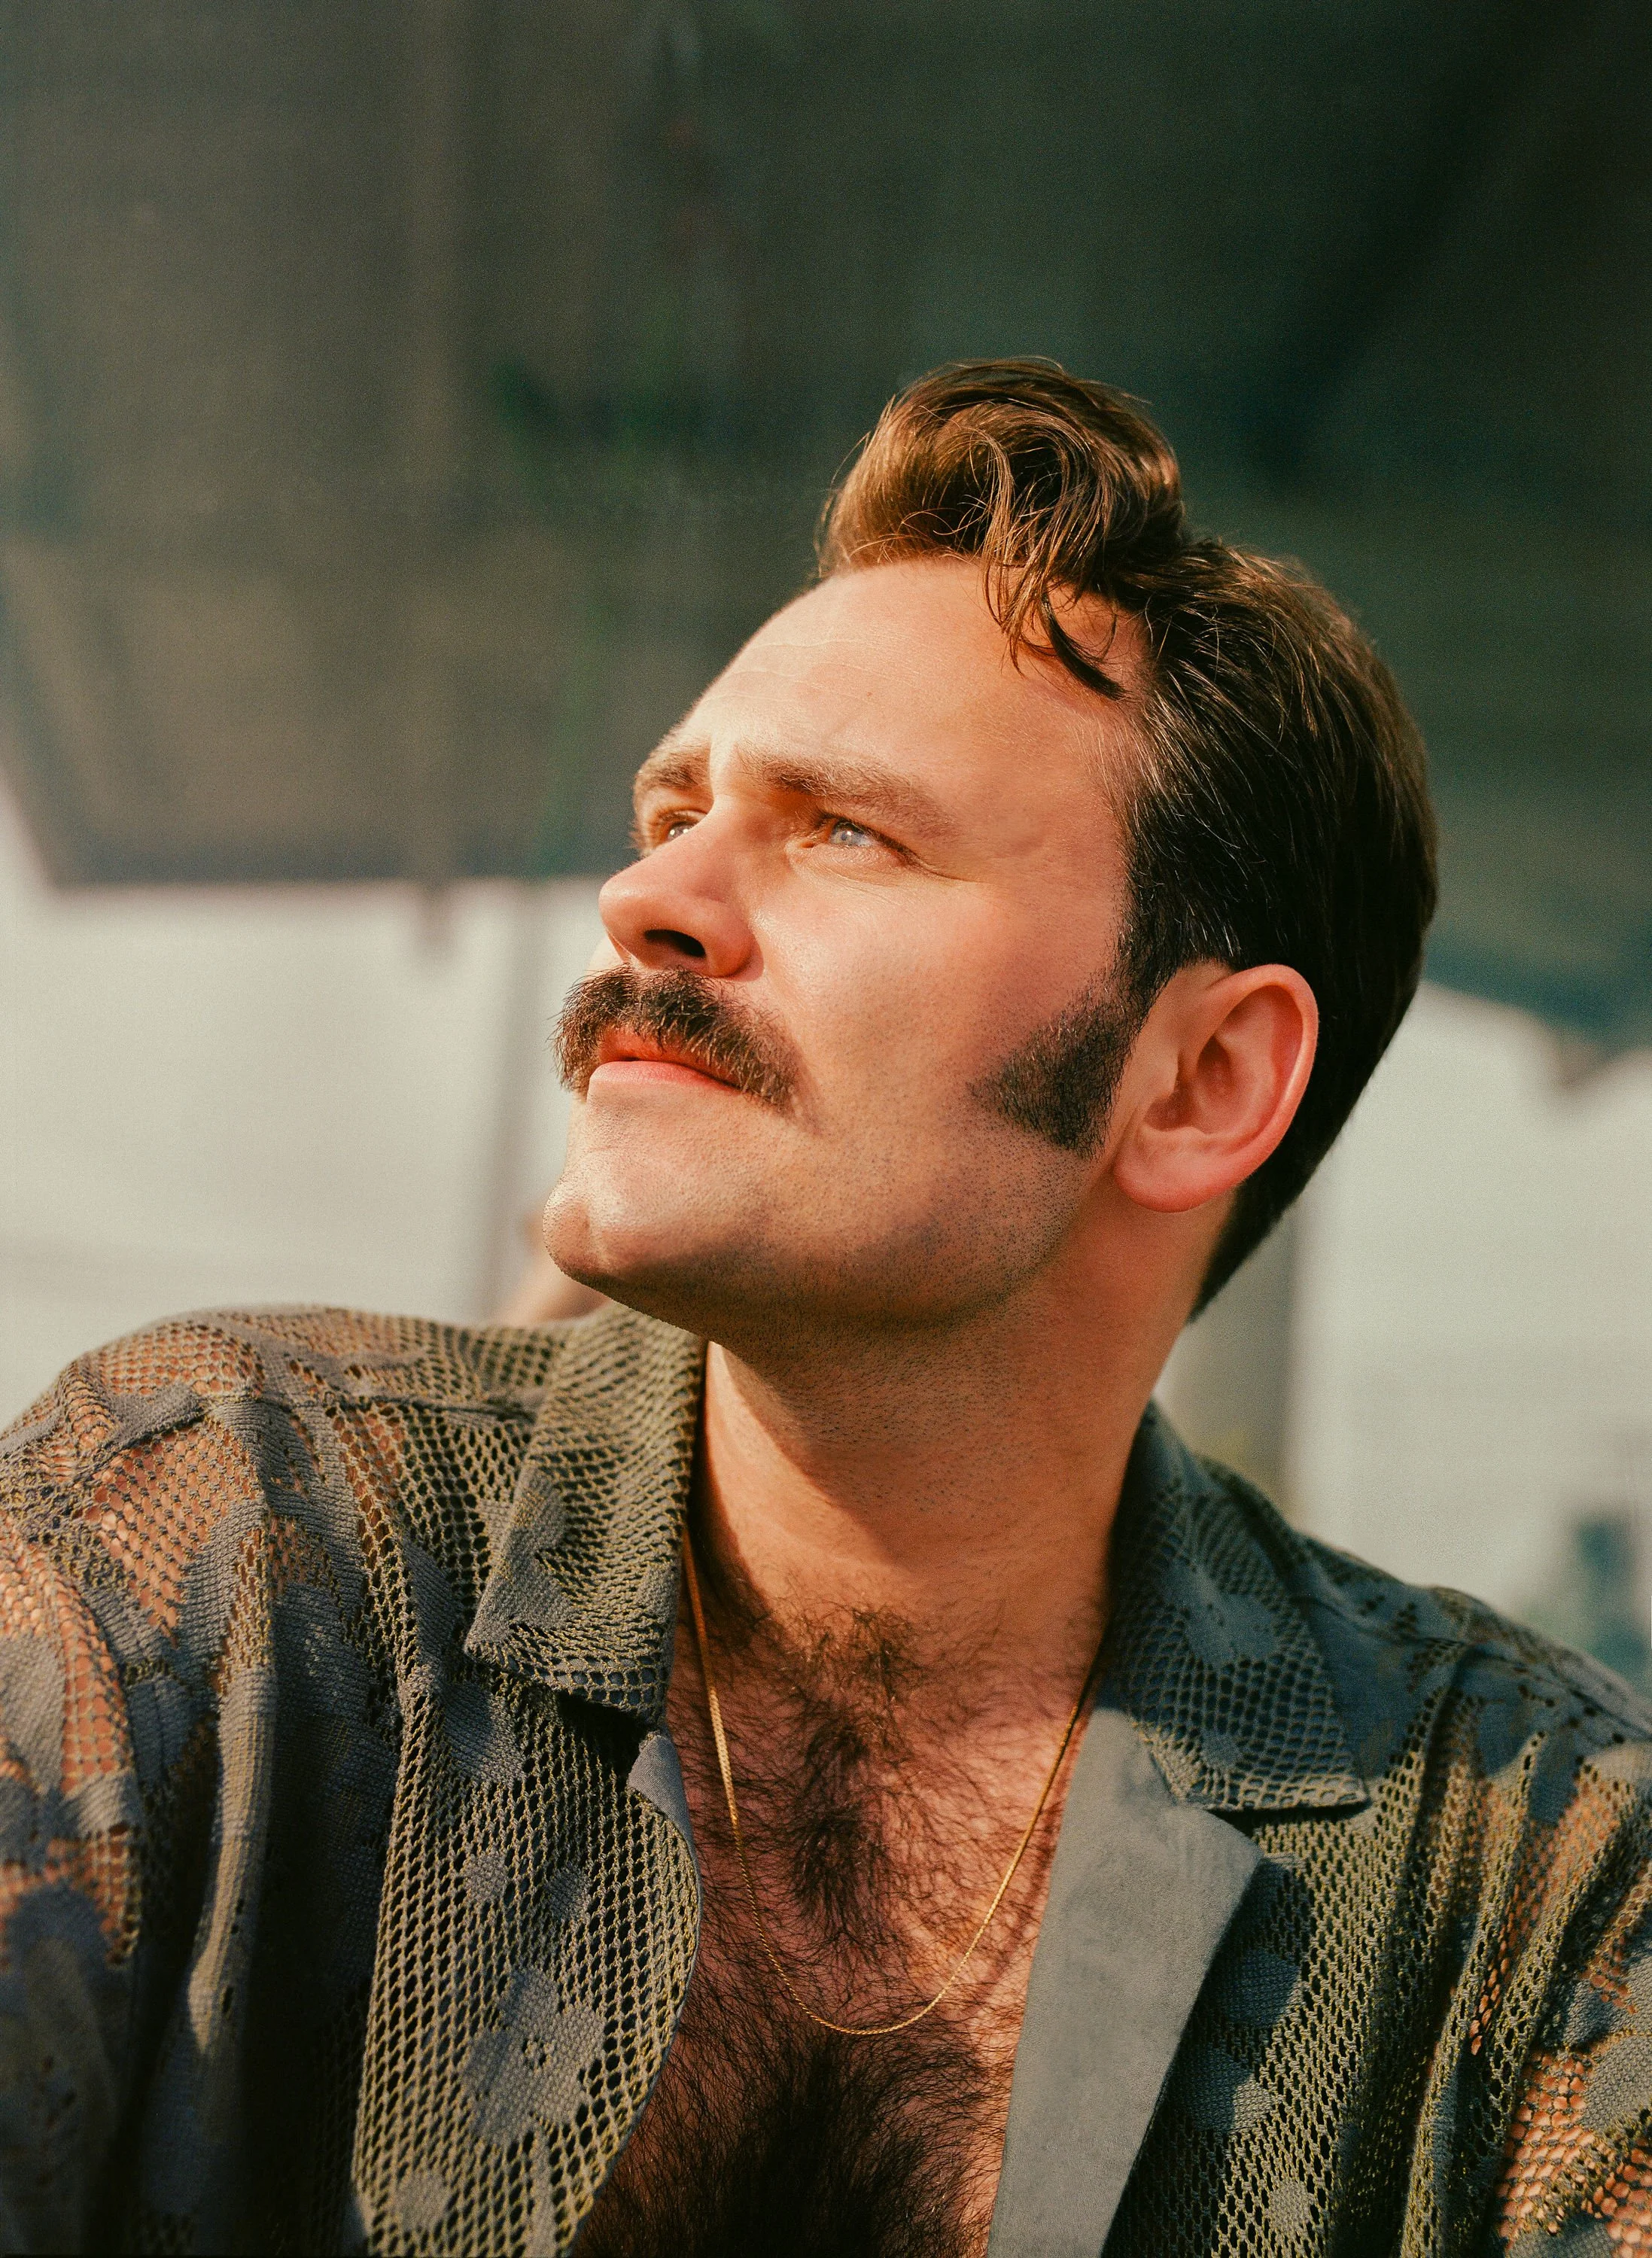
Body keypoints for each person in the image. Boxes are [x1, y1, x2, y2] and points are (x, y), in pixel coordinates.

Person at [2, 363, 1647, 2258]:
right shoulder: (226, 1552)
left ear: (1196, 1083)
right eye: (674, 807)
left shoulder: (1514, 1864)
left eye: (843, 832)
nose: (650, 898)